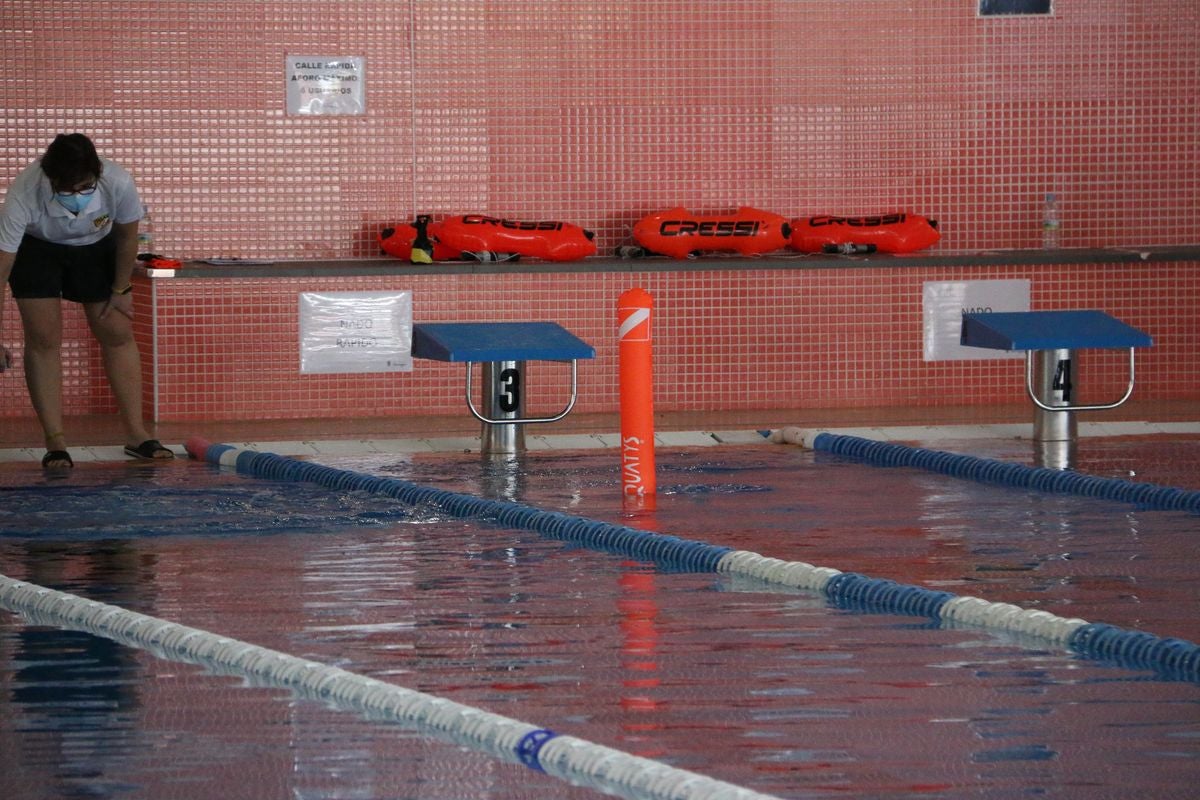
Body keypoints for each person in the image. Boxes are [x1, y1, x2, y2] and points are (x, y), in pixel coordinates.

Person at [0, 133, 173, 468]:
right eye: (67, 191)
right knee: (44, 338)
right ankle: (56, 443)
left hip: (96, 248)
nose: (76, 196)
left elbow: (126, 237)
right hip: (37, 250)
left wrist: (121, 289)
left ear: (97, 174)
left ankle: (137, 435)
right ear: (51, 179)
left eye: (84, 187)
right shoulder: (25, 191)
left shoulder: (118, 181)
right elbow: (3, 264)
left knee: (117, 332)